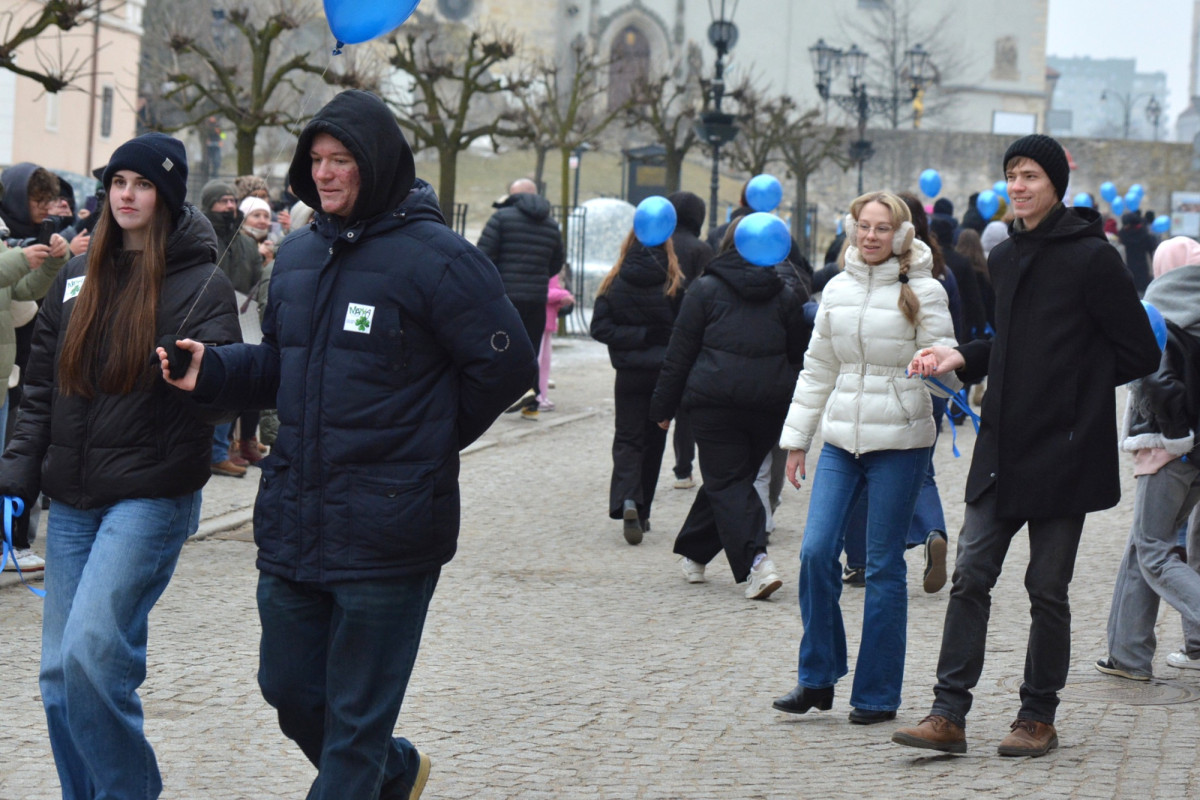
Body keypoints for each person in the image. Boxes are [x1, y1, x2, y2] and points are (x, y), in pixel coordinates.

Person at [158, 89, 535, 800]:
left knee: (355, 725)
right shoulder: (297, 258)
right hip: (298, 515)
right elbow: (281, 365)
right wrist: (216, 369)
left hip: (392, 527)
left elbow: (506, 364)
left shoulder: (440, 259)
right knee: (289, 689)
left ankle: (368, 771)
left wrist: (430, 438)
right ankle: (397, 773)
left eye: (341, 161)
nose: (325, 174)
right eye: (317, 160)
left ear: (378, 165)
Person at [892, 134, 1161, 758]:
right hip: (1004, 445)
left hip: (1065, 450)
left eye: (1030, 175)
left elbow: (1138, 352)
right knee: (969, 576)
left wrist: (1075, 394)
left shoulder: (1096, 259)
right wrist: (960, 355)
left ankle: (1037, 716)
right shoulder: (1008, 255)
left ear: (1056, 184)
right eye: (1012, 174)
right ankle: (947, 714)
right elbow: (1012, 345)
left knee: (1046, 588)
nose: (1018, 185)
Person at [0, 132, 240, 799]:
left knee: (93, 656)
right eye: (117, 183)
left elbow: (227, 385)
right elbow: (41, 390)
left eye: (140, 184)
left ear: (165, 195)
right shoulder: (76, 278)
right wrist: (16, 472)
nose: (126, 195)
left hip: (150, 495)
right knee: (56, 680)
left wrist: (207, 373)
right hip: (74, 498)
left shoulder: (200, 284)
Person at [771, 191, 958, 725]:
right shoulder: (835, 287)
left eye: (882, 228)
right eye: (863, 226)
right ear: (852, 229)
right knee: (815, 552)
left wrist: (935, 366)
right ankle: (818, 676)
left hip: (900, 441)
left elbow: (950, 373)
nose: (871, 236)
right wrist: (796, 438)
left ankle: (876, 695)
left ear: (901, 236)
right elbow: (816, 369)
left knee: (881, 566)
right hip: (839, 440)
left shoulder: (926, 290)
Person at [649, 218, 810, 600]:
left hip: (714, 403)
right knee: (730, 480)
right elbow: (798, 357)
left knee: (728, 481)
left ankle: (757, 563)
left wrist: (662, 405)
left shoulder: (704, 290)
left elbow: (680, 353)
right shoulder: (786, 295)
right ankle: (695, 551)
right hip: (767, 406)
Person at [1096, 236, 1200, 680]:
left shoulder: (1157, 306)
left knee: (1154, 551)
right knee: (1142, 545)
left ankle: (1130, 653)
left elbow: (1157, 382)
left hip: (1166, 450)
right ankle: (1128, 653)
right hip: (1195, 452)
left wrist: (1176, 438)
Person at [590, 230, 684, 544]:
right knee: (654, 442)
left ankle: (627, 498)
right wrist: (657, 337)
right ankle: (642, 513)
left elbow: (600, 327)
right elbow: (685, 330)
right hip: (662, 375)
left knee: (628, 439)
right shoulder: (673, 283)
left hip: (629, 374)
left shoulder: (614, 281)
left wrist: (636, 337)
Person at [476, 177, 565, 420]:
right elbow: (557, 262)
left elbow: (482, 256)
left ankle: (500, 398)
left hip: (505, 297)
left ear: (514, 196)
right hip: (536, 297)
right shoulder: (550, 224)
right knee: (529, 350)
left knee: (500, 345)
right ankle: (531, 402)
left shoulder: (501, 218)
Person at [199, 178, 262, 477]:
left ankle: (225, 449)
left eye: (232, 201)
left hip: (242, 324)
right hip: (207, 322)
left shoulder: (247, 243)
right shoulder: (201, 236)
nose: (229, 206)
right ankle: (214, 453)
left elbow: (256, 281)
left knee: (236, 386)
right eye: (222, 201)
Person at [667, 190, 713, 490]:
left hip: (660, 332)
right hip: (692, 337)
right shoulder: (701, 249)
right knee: (685, 409)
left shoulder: (659, 245)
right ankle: (684, 468)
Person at [537, 273, 573, 412]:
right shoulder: (548, 269)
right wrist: (563, 294)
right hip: (542, 319)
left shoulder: (552, 271)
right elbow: (543, 292)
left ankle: (542, 395)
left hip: (549, 320)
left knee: (545, 362)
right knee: (539, 361)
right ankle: (536, 396)